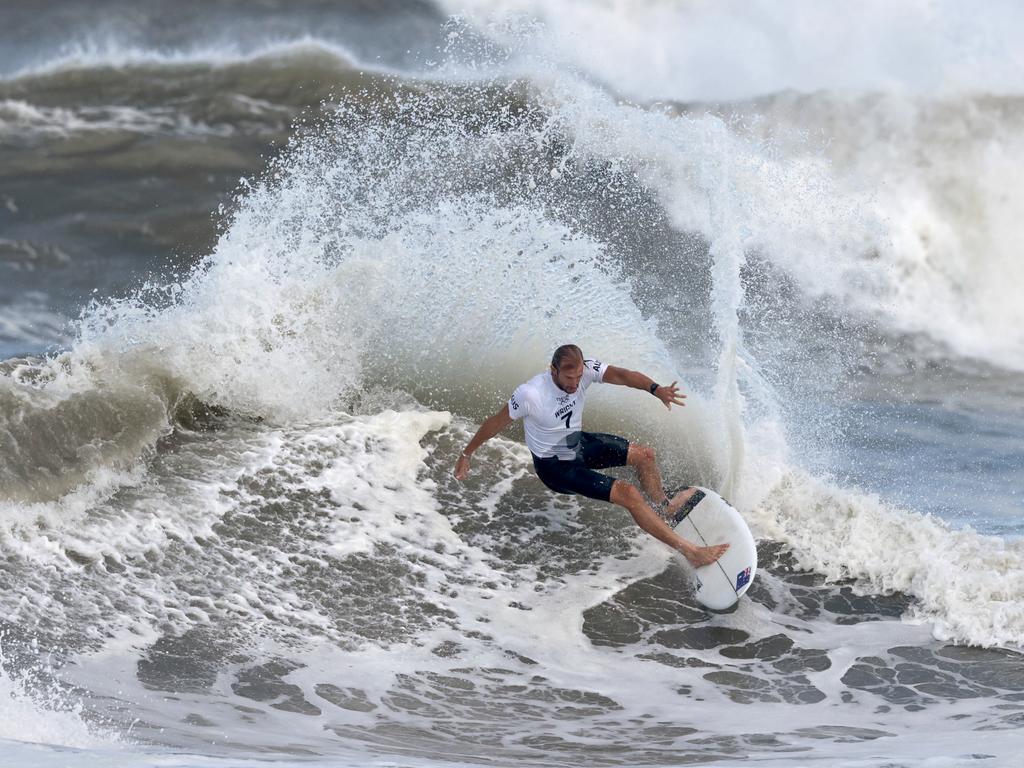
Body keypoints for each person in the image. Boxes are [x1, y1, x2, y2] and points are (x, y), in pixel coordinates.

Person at [454, 344, 729, 567]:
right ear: (553, 370)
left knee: (645, 455)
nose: (574, 384)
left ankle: (663, 507)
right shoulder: (531, 394)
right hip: (554, 467)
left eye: (577, 377)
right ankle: (691, 552)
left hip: (576, 443)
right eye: (567, 378)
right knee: (629, 494)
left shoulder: (586, 371)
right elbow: (496, 421)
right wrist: (467, 453)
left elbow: (622, 375)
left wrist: (656, 390)